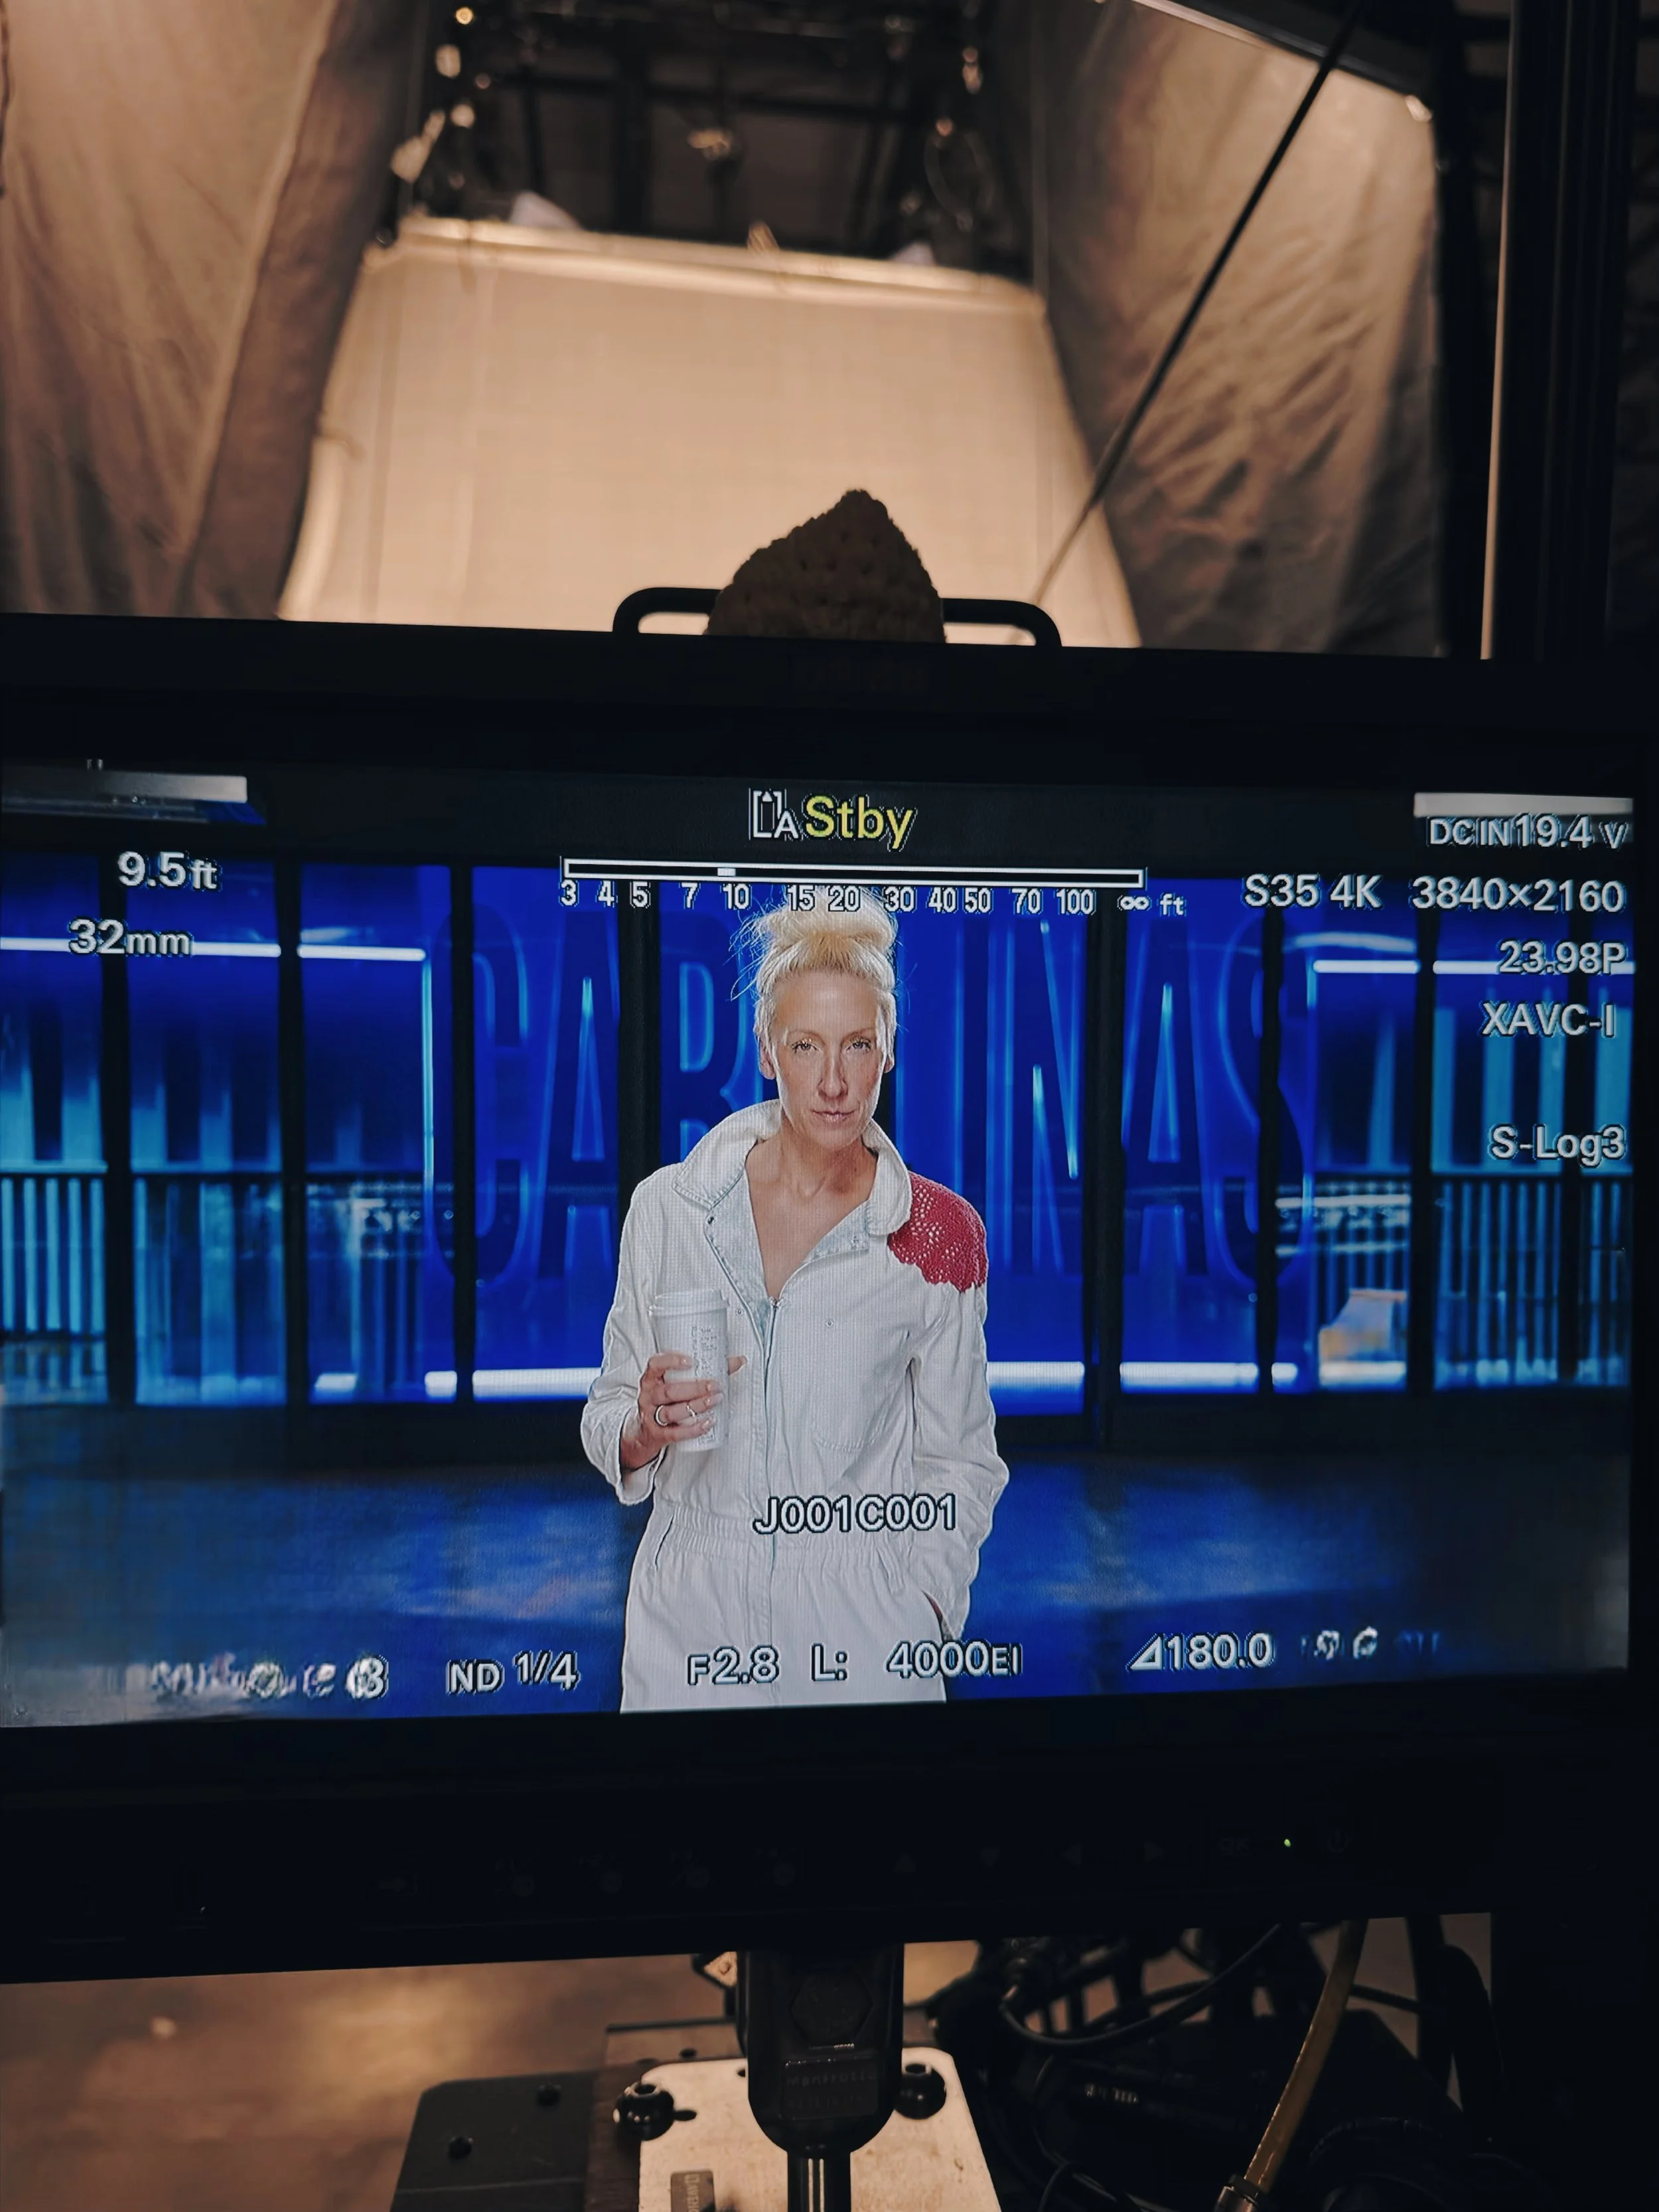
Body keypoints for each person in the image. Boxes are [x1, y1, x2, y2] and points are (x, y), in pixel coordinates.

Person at [582, 893, 1007, 1710]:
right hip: (688, 1623)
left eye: (857, 1045)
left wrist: (923, 1606)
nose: (834, 1082)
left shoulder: (936, 1233)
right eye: (806, 1046)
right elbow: (609, 1411)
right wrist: (641, 1429)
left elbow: (961, 1460)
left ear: (887, 1050)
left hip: (865, 1624)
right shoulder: (670, 1209)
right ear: (767, 1050)